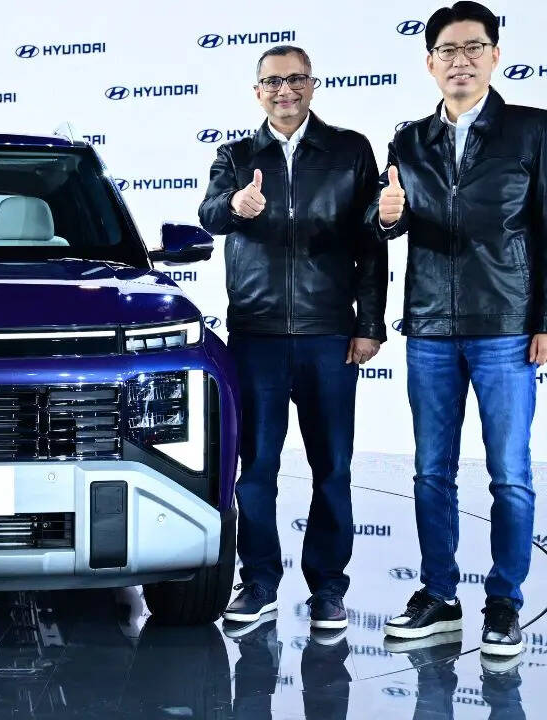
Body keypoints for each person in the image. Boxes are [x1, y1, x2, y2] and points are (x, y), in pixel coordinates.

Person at [371, 1, 547, 657]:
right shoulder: (408, 140)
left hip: (506, 327)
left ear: (494, 55)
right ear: (429, 63)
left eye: (473, 48)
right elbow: (391, 223)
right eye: (447, 51)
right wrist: (387, 216)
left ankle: (504, 602)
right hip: (430, 327)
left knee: (509, 474)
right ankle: (438, 595)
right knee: (431, 472)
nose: (460, 61)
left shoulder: (533, 129)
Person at [198, 45, 387, 631]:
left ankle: (328, 587)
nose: (285, 90)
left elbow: (372, 242)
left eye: (296, 79)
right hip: (256, 336)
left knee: (332, 466)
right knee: (255, 468)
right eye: (273, 81)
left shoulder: (350, 150)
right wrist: (236, 204)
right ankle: (258, 582)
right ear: (257, 92)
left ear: (312, 84)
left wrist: (369, 323)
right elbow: (209, 215)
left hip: (329, 334)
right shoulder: (236, 155)